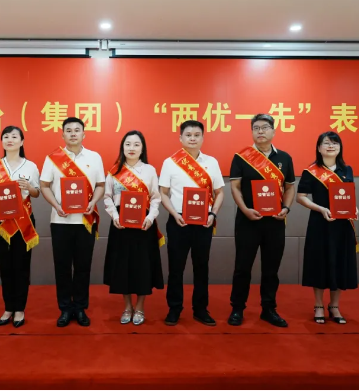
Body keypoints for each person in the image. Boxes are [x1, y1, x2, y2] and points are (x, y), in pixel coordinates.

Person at [228, 114, 295, 327]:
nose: (260, 131)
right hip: (248, 220)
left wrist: (286, 208)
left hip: (275, 221)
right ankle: (237, 308)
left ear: (273, 131)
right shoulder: (241, 157)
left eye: (265, 127)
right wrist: (245, 210)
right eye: (256, 128)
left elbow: (290, 187)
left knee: (271, 269)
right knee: (242, 267)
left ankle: (268, 309)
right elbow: (235, 187)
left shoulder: (285, 158)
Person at [40, 117, 105, 327]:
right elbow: (44, 185)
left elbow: (101, 185)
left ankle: (80, 308)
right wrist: (56, 205)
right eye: (69, 130)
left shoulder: (94, 157)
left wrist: (93, 202)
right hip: (60, 221)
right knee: (62, 267)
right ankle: (65, 309)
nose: (73, 133)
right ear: (63, 135)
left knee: (83, 267)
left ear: (84, 134)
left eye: (77, 130)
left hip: (85, 220)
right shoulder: (53, 158)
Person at [159, 120, 225, 326]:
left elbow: (220, 192)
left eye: (197, 135)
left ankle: (200, 309)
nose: (193, 138)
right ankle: (174, 308)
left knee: (201, 267)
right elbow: (163, 193)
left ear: (203, 138)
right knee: (175, 268)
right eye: (188, 135)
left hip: (204, 221)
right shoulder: (170, 162)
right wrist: (173, 214)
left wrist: (213, 214)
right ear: (180, 138)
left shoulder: (211, 162)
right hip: (178, 220)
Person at [296, 131, 358, 324]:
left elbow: (348, 195)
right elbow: (301, 197)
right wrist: (321, 209)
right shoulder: (311, 171)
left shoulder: (347, 170)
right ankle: (318, 305)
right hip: (320, 224)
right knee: (319, 263)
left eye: (335, 143)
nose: (331, 146)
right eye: (326, 143)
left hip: (342, 226)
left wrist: (354, 208)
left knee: (339, 263)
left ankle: (334, 306)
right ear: (319, 147)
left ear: (340, 147)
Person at [103, 130, 164, 325]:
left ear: (142, 148)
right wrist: (114, 216)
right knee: (123, 267)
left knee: (142, 267)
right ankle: (127, 306)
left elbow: (155, 198)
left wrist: (151, 217)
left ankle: (140, 307)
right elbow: (107, 197)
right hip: (121, 225)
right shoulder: (114, 171)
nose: (131, 148)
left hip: (143, 225)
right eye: (128, 144)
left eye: (136, 144)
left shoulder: (149, 170)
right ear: (122, 147)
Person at [0, 126, 40, 328]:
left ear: (22, 141)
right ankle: (8, 307)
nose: (10, 139)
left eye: (14, 136)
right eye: (6, 136)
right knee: (5, 265)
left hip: (24, 220)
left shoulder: (30, 166)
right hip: (1, 221)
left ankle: (19, 309)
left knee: (22, 265)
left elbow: (36, 193)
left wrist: (29, 187)